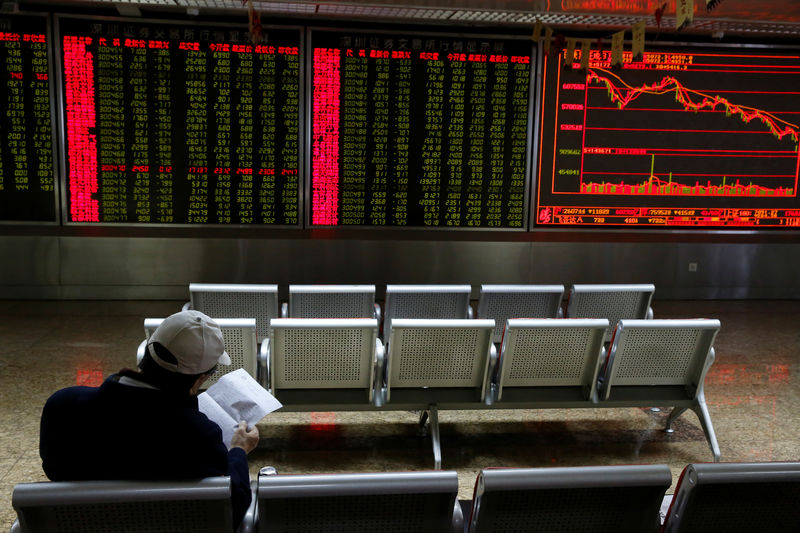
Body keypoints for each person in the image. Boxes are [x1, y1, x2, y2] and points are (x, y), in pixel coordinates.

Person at [39, 310, 259, 531]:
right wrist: (239, 450)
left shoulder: (62, 406)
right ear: (199, 379)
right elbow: (233, 505)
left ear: (147, 352)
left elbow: (54, 470)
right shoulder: (198, 434)